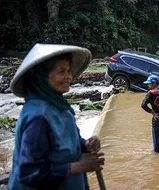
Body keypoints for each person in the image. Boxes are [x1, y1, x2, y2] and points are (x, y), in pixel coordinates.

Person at [8, 43, 105, 190]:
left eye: (68, 71)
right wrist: (78, 166)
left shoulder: (60, 106)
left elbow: (65, 143)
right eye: (61, 71)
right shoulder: (37, 116)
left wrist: (85, 145)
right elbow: (29, 174)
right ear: (42, 76)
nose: (68, 77)